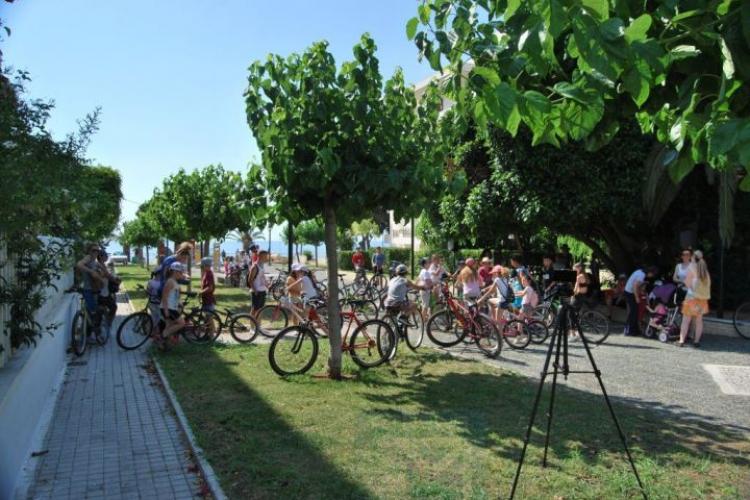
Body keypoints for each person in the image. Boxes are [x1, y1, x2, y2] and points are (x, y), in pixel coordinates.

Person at [678, 250, 711, 347]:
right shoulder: (704, 269)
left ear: (693, 258)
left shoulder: (691, 268)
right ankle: (696, 341)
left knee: (686, 321)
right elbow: (708, 284)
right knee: (699, 321)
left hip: (691, 298)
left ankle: (681, 341)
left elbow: (687, 283)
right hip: (702, 299)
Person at [76, 243, 105, 332]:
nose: (96, 252)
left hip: (94, 289)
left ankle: (92, 331)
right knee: (93, 311)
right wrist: (91, 271)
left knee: (93, 312)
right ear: (89, 251)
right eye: (93, 250)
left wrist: (102, 274)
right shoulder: (88, 258)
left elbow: (104, 270)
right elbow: (79, 264)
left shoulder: (94, 261)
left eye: (97, 250)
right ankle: (92, 332)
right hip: (88, 289)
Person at [623, 265, 658, 336]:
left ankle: (634, 330)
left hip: (629, 291)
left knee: (635, 311)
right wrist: (637, 297)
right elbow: (635, 286)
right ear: (650, 272)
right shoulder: (642, 275)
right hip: (630, 293)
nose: (651, 277)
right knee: (633, 312)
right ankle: (629, 330)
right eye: (652, 275)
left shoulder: (640, 271)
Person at [159, 262, 186, 345]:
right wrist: (166, 310)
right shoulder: (170, 281)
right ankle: (163, 335)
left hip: (172, 307)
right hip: (168, 308)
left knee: (169, 326)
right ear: (175, 272)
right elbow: (164, 296)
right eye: (180, 272)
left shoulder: (174, 281)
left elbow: (175, 296)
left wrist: (179, 303)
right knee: (182, 323)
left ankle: (163, 345)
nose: (181, 274)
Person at [248, 250, 269, 316]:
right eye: (265, 256)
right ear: (260, 256)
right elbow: (250, 280)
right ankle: (252, 322)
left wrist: (267, 284)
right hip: (257, 291)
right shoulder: (255, 267)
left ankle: (257, 322)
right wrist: (255, 290)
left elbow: (262, 277)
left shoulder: (262, 266)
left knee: (260, 310)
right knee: (254, 309)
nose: (267, 258)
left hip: (262, 290)